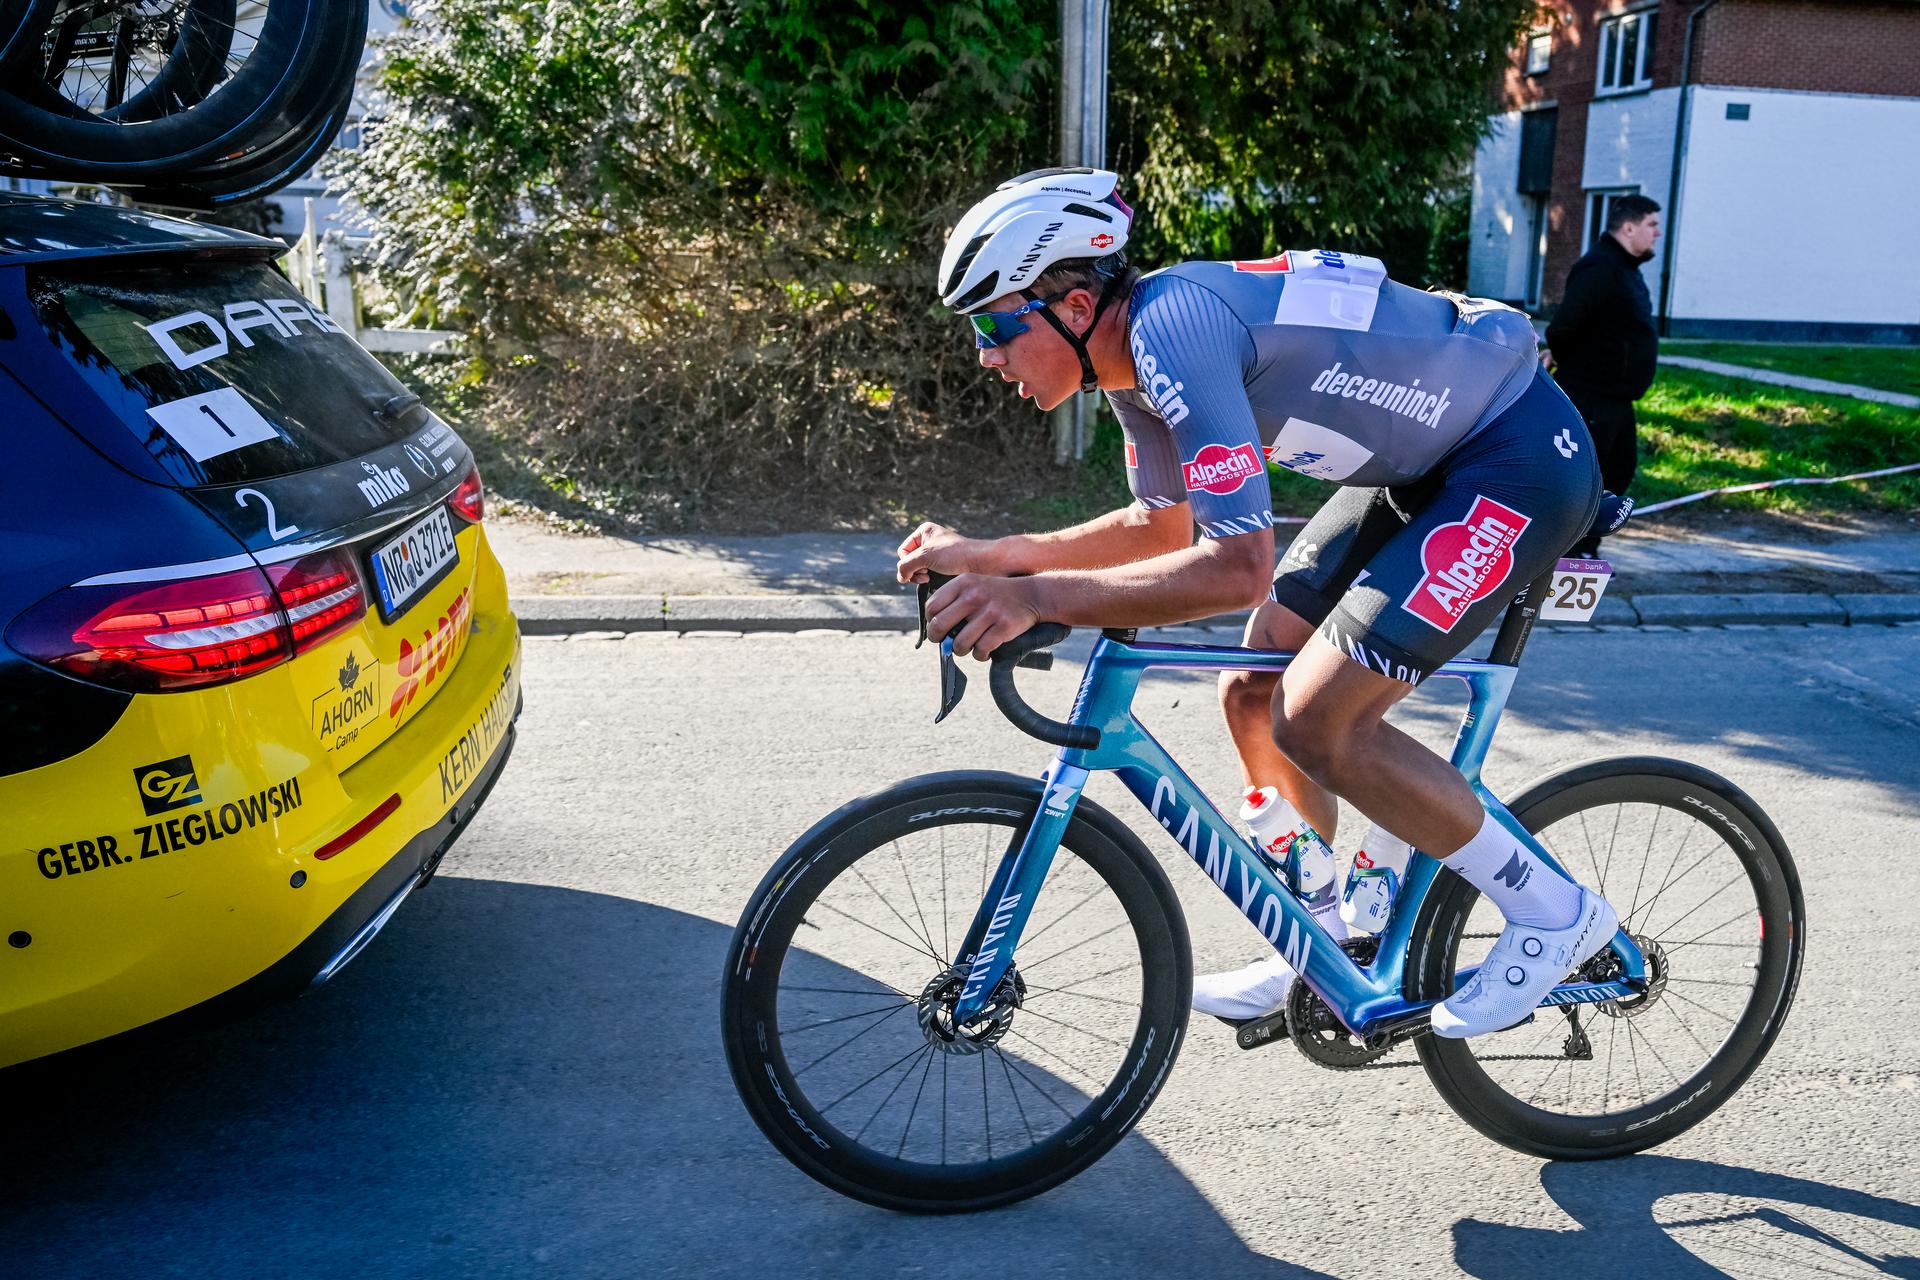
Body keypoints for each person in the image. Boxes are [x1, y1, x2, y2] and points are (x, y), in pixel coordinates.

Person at [897, 168, 1619, 1038]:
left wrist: (1037, 596)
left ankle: (1554, 910)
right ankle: (1325, 941)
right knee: (1252, 686)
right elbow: (1163, 527)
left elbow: (1236, 565)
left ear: (1077, 310)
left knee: (1320, 719)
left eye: (994, 324)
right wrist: (996, 558)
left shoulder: (1176, 334)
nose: (985, 352)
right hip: (1420, 470)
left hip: (1515, 459)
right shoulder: (1128, 367)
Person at [1541, 194, 1661, 558]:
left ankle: (1584, 548)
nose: (1657, 233)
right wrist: (1562, 355)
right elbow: (1563, 328)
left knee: (1619, 471)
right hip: (1591, 396)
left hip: (1617, 399)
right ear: (1628, 227)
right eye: (1651, 224)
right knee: (1586, 479)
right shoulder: (1600, 268)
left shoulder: (1625, 269)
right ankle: (1565, 553)